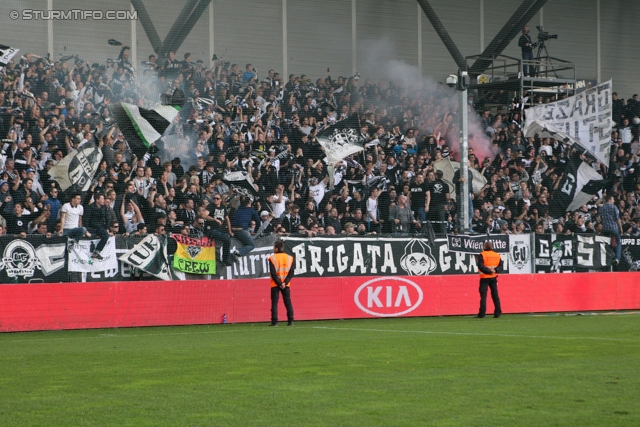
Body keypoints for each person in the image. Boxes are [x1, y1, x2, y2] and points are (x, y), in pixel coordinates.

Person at [267, 240, 295, 326]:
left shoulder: (272, 258)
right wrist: (285, 283)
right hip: (286, 284)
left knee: (274, 303)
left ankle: (274, 321)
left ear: (276, 248)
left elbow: (273, 273)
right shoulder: (290, 258)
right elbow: (291, 273)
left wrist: (279, 283)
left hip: (275, 284)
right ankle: (290, 320)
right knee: (288, 302)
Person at [476, 241, 503, 318]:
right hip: (494, 277)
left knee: (483, 296)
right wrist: (495, 270)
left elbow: (480, 266)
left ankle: (482, 313)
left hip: (484, 278)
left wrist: (488, 271)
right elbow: (501, 266)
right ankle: (498, 312)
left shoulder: (482, 255)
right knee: (495, 295)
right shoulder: (497, 255)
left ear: (484, 247)